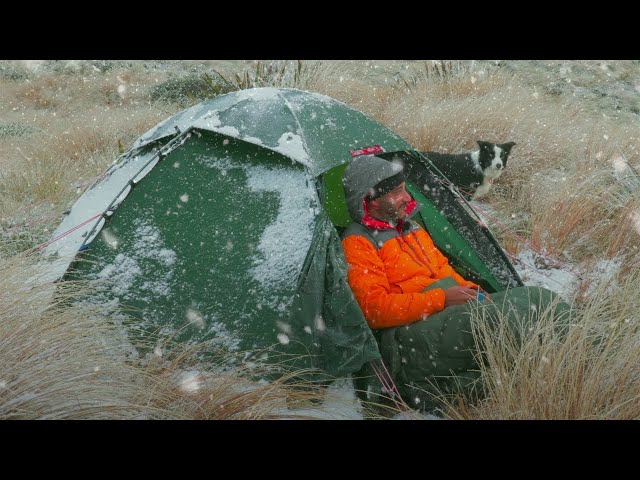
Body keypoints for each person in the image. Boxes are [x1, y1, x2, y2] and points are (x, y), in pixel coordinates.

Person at [341, 154, 570, 412]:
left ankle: (590, 356)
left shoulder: (412, 229)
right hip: (408, 334)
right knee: (513, 319)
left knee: (538, 298)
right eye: (396, 192)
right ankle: (575, 364)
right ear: (369, 200)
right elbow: (374, 309)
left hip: (448, 314)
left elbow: (443, 270)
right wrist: (441, 299)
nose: (407, 197)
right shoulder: (358, 241)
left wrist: (475, 293)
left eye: (405, 189)